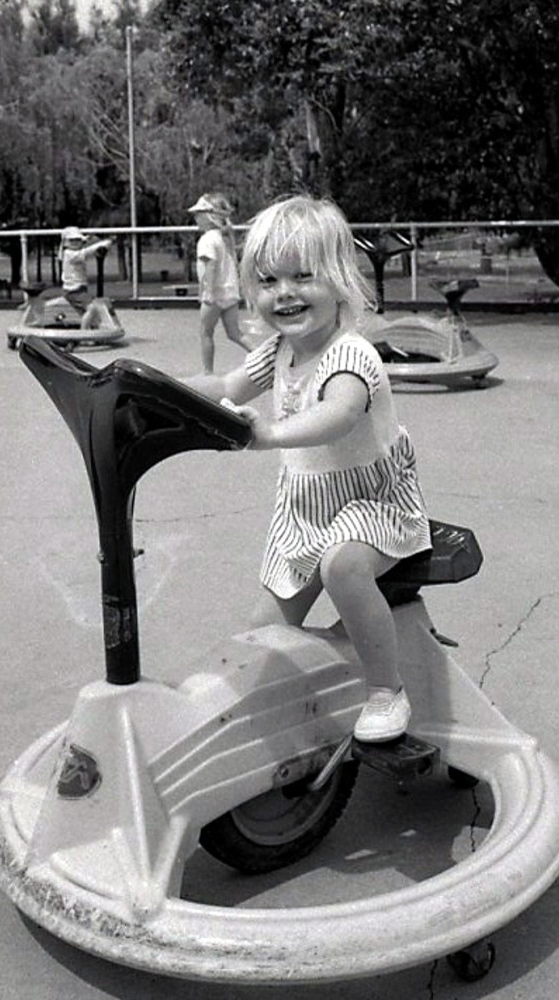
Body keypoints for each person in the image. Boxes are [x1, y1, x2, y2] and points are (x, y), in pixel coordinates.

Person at [185, 195, 431, 742]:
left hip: (372, 505)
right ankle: (264, 718)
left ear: (340, 280)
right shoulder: (279, 350)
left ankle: (386, 690)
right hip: (305, 511)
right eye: (269, 281)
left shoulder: (352, 355)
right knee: (263, 632)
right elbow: (227, 387)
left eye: (303, 276)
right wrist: (163, 393)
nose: (285, 293)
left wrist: (267, 434)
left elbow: (337, 417)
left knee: (342, 568)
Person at [187, 193, 254, 372]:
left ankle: (208, 372)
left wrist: (207, 291)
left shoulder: (207, 240)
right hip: (230, 292)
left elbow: (210, 267)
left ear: (209, 216)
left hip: (214, 294)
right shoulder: (225, 238)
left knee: (205, 332)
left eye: (199, 214)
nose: (196, 218)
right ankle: (260, 357)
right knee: (235, 333)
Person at [59, 226, 114, 330]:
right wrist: (101, 244)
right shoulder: (69, 254)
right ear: (65, 242)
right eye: (72, 240)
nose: (76, 242)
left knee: (95, 306)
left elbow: (86, 247)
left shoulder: (73, 252)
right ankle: (84, 333)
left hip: (80, 290)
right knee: (92, 308)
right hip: (73, 291)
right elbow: (86, 252)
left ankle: (95, 328)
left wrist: (92, 240)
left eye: (78, 240)